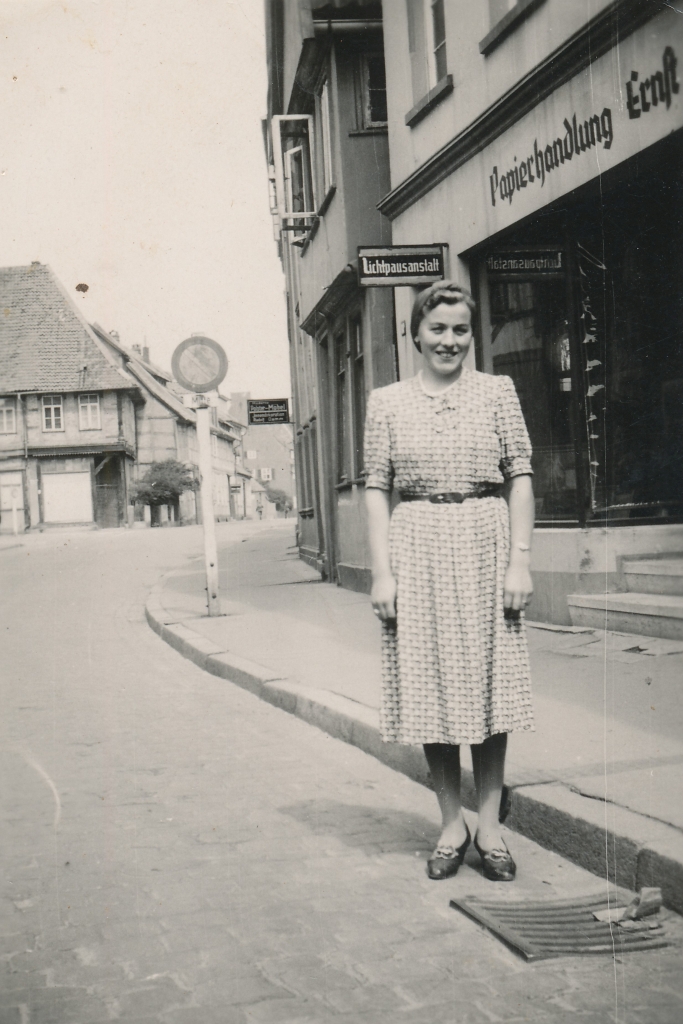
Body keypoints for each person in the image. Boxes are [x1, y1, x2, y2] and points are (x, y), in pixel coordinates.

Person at [364, 281, 534, 882]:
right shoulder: (385, 402)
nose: (449, 340)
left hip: (486, 543)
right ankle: (450, 825)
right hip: (417, 549)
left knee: (491, 691)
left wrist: (520, 561)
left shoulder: (497, 392)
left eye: (461, 329)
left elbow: (520, 476)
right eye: (437, 328)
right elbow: (377, 488)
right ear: (416, 333)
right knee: (431, 690)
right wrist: (382, 573)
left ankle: (490, 827)